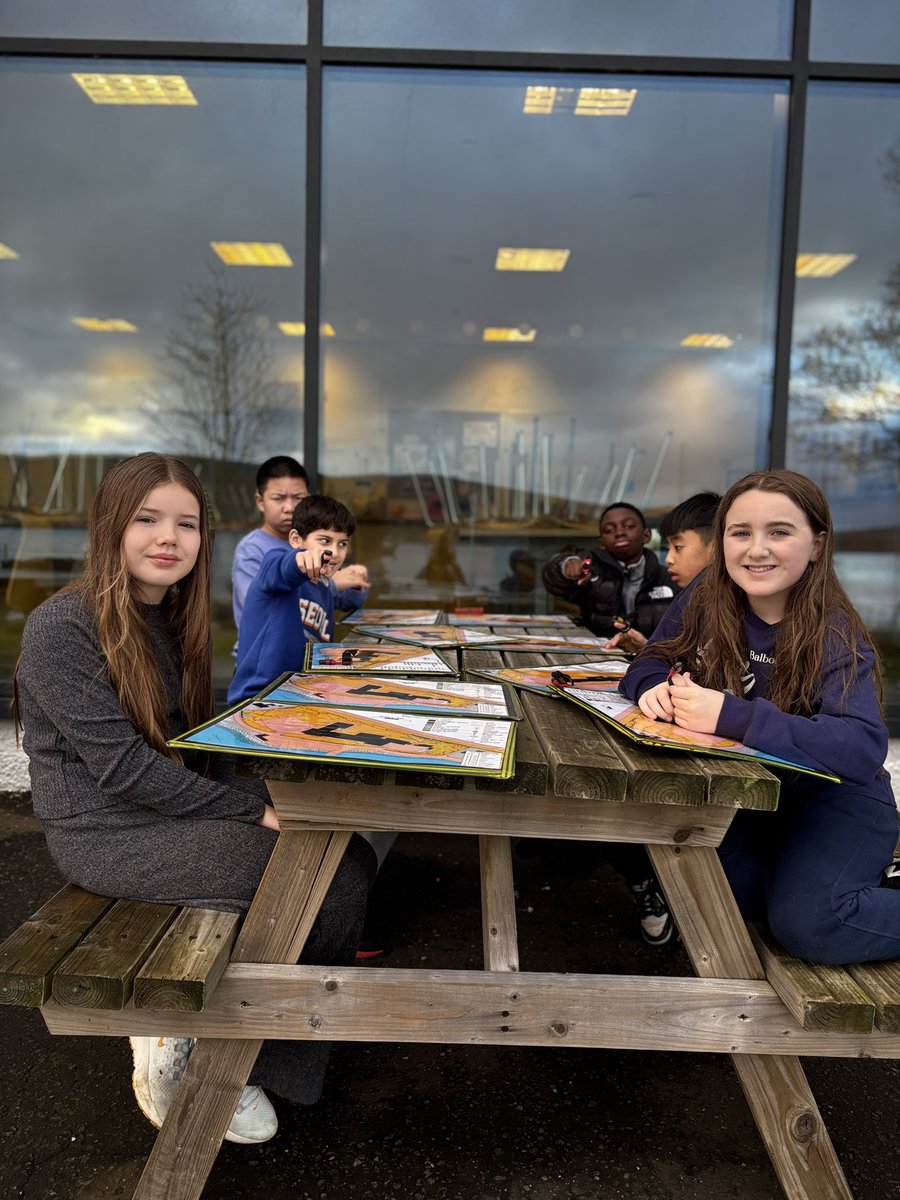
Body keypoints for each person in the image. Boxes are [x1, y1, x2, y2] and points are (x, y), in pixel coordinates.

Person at [14, 453, 376, 1142]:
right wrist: (253, 810)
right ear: (110, 526)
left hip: (167, 808)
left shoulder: (171, 616)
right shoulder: (62, 628)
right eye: (147, 519)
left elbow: (189, 745)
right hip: (109, 831)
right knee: (318, 880)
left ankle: (267, 1053)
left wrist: (268, 783)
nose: (168, 538)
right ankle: (224, 1064)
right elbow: (125, 772)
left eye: (186, 524)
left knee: (346, 852)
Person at [620, 469, 898, 966]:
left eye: (779, 532)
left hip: (836, 800)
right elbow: (650, 658)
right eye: (740, 532)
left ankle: (852, 883)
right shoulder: (709, 593)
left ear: (817, 544)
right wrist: (653, 689)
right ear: (722, 540)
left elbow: (860, 748)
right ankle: (834, 880)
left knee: (812, 923)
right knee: (708, 886)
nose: (756, 549)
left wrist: (733, 716)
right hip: (754, 796)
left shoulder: (835, 630)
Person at [229, 494, 369, 706]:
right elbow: (278, 566)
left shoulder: (324, 586)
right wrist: (300, 560)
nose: (335, 552)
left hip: (300, 697)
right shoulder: (277, 571)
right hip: (259, 698)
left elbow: (351, 600)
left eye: (342, 543)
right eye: (324, 540)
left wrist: (359, 582)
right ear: (295, 539)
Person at [607, 492, 721, 654]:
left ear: (716, 548)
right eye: (668, 548)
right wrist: (647, 649)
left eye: (678, 547)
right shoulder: (688, 602)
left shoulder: (736, 612)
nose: (668, 559)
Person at [542, 502, 674, 639]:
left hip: (653, 657)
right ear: (601, 543)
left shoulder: (670, 577)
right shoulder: (591, 569)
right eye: (609, 530)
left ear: (646, 536)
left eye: (629, 526)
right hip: (600, 655)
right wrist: (566, 567)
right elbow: (553, 580)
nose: (620, 533)